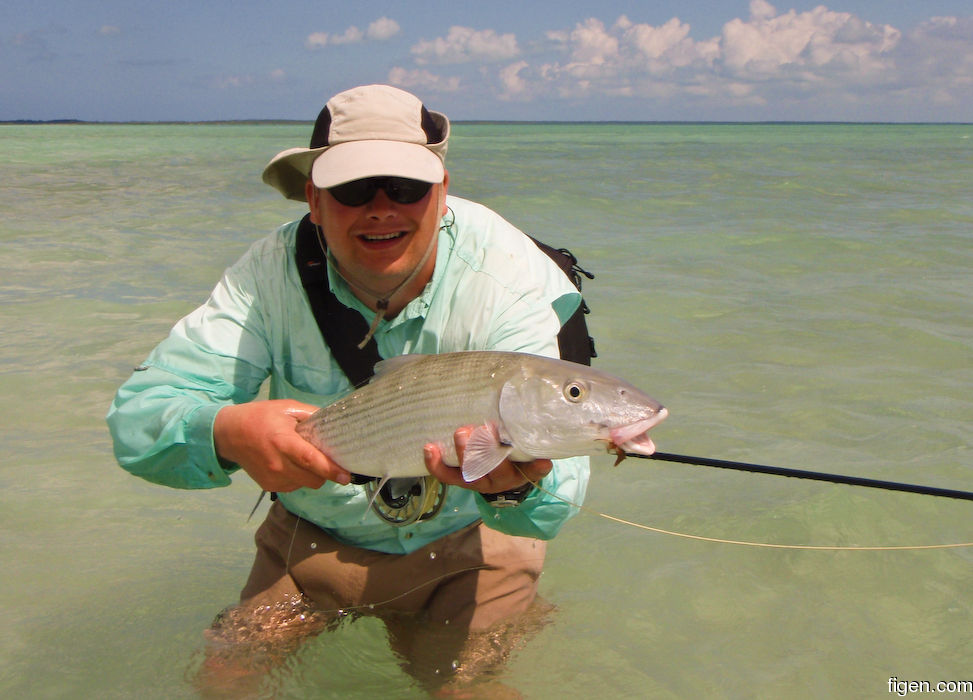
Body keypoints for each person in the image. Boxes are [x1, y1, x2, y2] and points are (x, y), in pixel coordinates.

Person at [106, 84, 589, 693]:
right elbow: (137, 420)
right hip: (313, 545)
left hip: (471, 546)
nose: (382, 208)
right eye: (354, 189)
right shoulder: (266, 276)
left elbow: (561, 487)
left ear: (441, 193)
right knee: (225, 678)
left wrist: (521, 489)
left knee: (469, 689)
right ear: (313, 198)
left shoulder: (510, 278)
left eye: (407, 187)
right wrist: (227, 432)